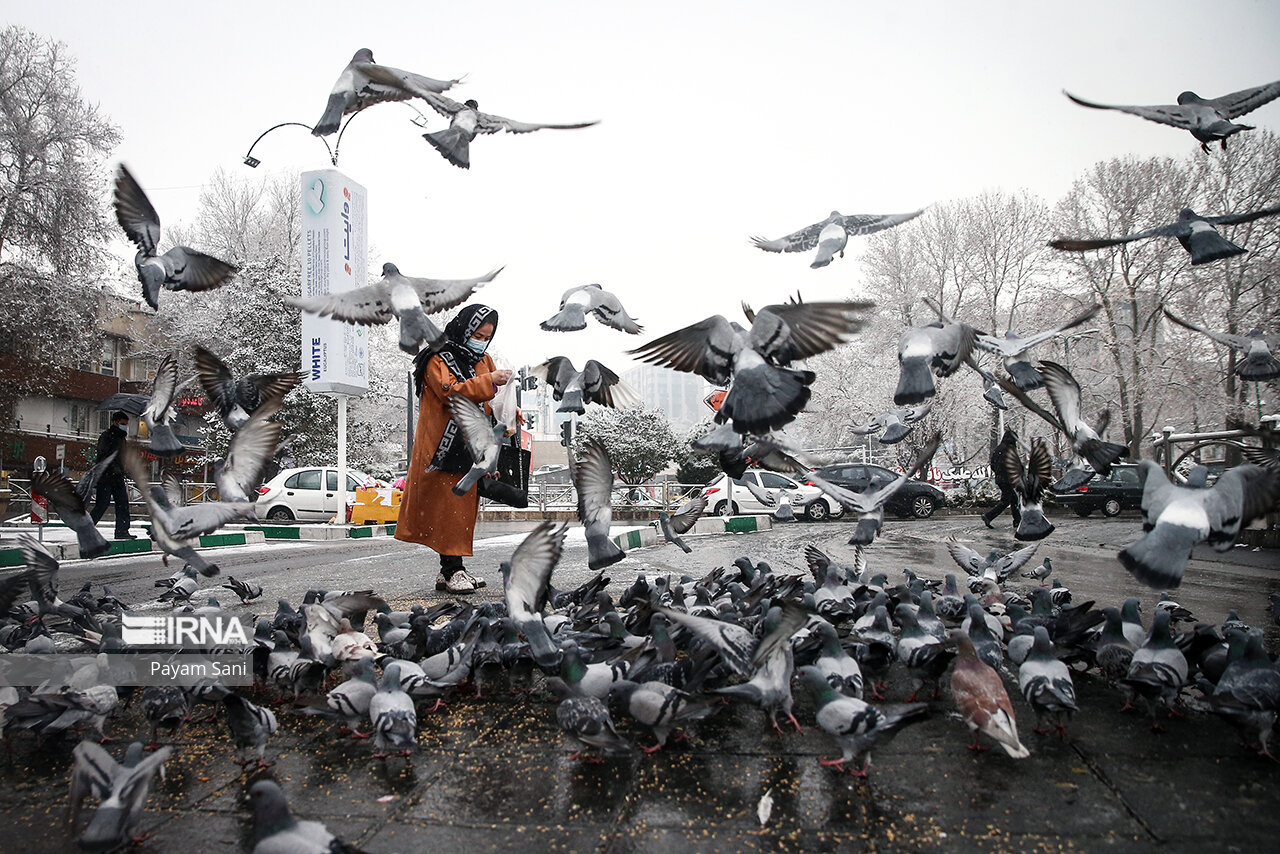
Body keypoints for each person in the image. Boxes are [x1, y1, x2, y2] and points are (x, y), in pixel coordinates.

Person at [395, 304, 513, 594]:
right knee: (449, 508)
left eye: (487, 336)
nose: (481, 340)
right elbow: (451, 391)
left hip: (470, 445)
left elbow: (491, 399)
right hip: (443, 446)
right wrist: (489, 381)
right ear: (463, 328)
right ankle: (452, 570)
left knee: (460, 508)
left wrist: (512, 409)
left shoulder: (483, 359)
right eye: (477, 333)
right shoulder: (439, 357)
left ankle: (450, 570)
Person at [90, 410, 135, 539]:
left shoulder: (122, 439)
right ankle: (87, 529)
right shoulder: (107, 436)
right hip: (106, 477)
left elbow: (122, 458)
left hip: (118, 477)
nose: (124, 426)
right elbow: (102, 456)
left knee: (123, 504)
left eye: (126, 424)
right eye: (122, 423)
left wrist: (125, 469)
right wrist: (114, 467)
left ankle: (122, 531)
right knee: (101, 505)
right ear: (115, 422)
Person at [981, 428, 1022, 530]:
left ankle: (1018, 521)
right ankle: (988, 516)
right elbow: (1015, 465)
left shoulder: (999, 448)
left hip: (1001, 478)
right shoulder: (1010, 449)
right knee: (1006, 501)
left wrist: (999, 473)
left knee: (1014, 499)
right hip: (1007, 479)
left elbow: (993, 464)